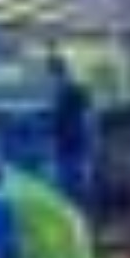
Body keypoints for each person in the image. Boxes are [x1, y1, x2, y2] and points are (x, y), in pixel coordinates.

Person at [47, 53, 96, 214]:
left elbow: (87, 118)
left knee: (77, 187)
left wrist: (89, 143)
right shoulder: (62, 91)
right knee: (72, 187)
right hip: (68, 146)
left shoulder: (74, 90)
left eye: (52, 74)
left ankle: (82, 219)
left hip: (75, 145)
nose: (52, 79)